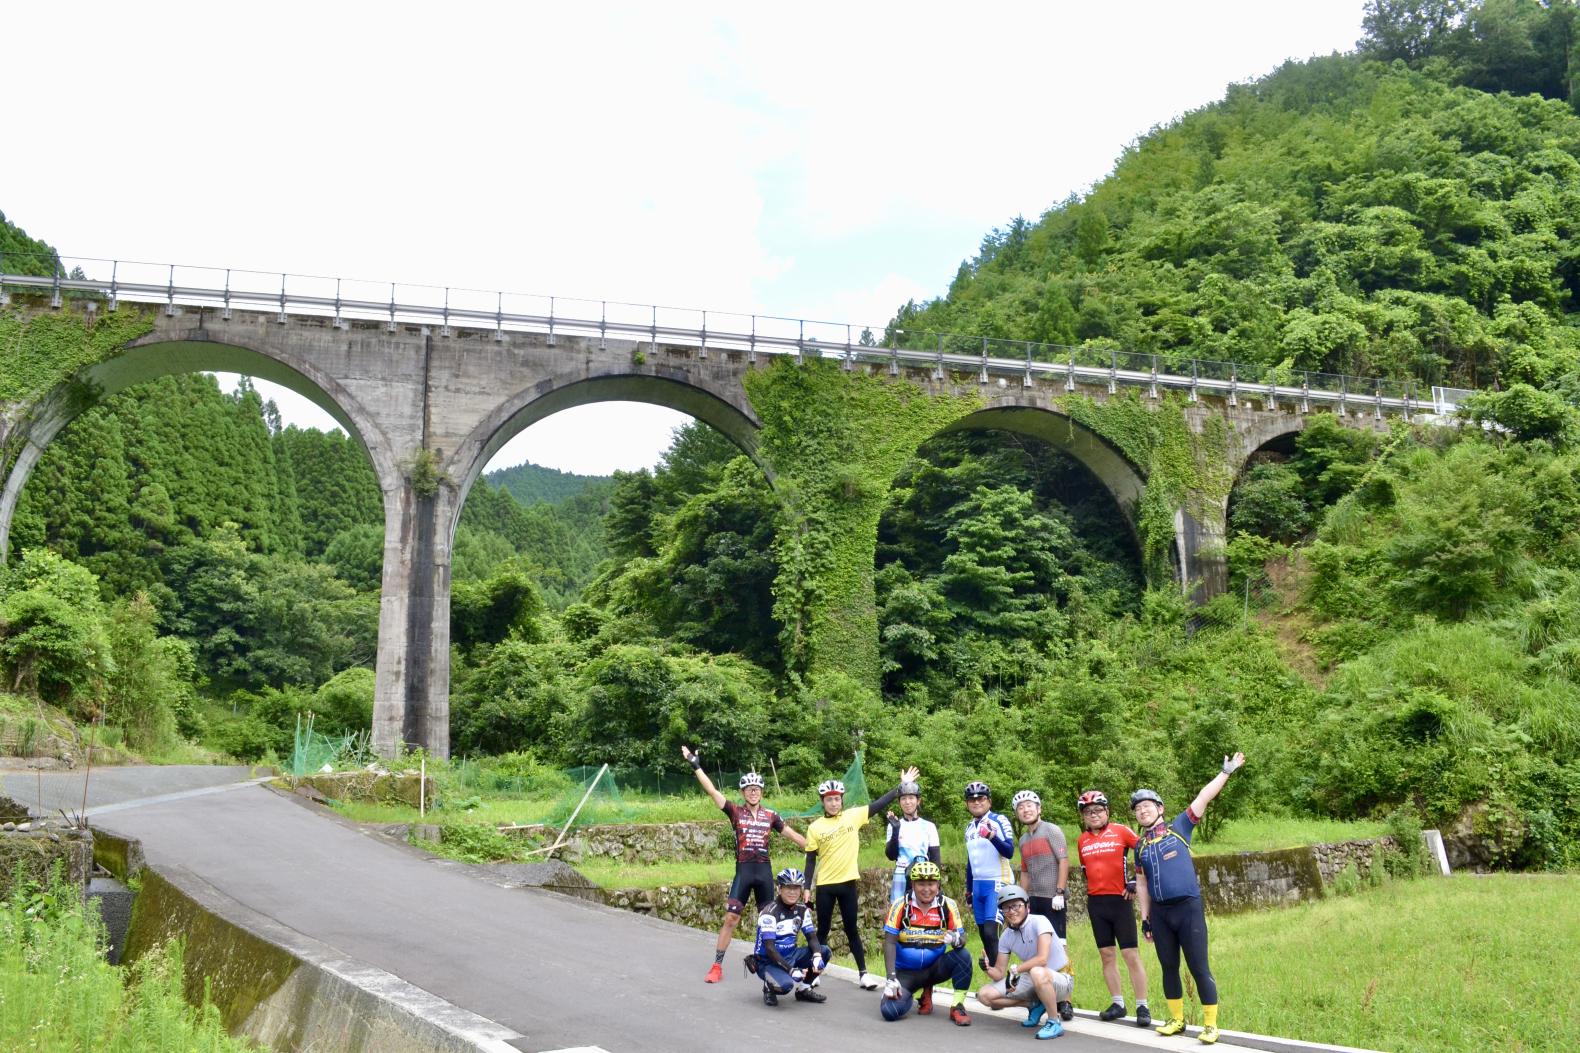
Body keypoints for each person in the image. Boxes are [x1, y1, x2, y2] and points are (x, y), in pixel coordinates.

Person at [1133, 752, 1246, 1045]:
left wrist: (1226, 772)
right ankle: (1176, 1020)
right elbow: (1142, 884)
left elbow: (1203, 797)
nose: (1142, 811)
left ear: (1159, 808)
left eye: (1147, 806)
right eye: (1137, 809)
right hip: (1160, 914)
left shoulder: (1179, 827)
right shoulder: (1139, 845)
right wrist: (1145, 918)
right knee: (1168, 966)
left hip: (1188, 909)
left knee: (1198, 966)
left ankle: (1210, 1024)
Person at [682, 744, 806, 983]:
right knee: (731, 919)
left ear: (761, 792)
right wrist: (695, 765)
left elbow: (794, 836)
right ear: (743, 792)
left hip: (764, 872)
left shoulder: (771, 816)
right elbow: (711, 791)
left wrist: (814, 846)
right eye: (749, 789)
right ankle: (717, 966)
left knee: (770, 922)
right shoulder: (735, 812)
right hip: (744, 871)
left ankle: (774, 964)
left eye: (757, 789)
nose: (753, 792)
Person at [804, 764, 920, 991]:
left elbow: (879, 804)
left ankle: (863, 974)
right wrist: (807, 889)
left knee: (852, 929)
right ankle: (814, 973)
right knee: (822, 931)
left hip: (848, 883)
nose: (834, 803)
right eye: (829, 799)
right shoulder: (815, 827)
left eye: (837, 799)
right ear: (823, 802)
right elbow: (810, 860)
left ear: (842, 800)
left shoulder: (853, 816)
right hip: (825, 885)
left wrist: (901, 786)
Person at [1075, 789, 1150, 1028]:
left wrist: (1134, 880)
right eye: (1088, 812)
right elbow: (1087, 870)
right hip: (1096, 903)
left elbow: (1144, 851)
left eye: (1097, 810)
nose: (1093, 815)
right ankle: (1118, 1003)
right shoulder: (1081, 840)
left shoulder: (1120, 831)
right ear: (1083, 816)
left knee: (1130, 955)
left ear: (1107, 811)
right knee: (1106, 955)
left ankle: (1142, 1005)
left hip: (1120, 901)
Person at [878, 859, 974, 1026]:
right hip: (907, 973)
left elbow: (963, 939)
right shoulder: (901, 905)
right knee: (889, 1012)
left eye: (931, 884)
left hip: (934, 968)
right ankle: (912, 995)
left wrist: (956, 940)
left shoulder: (947, 905)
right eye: (921, 884)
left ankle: (957, 1006)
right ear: (913, 884)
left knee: (963, 956)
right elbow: (890, 942)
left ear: (938, 885)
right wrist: (891, 978)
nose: (927, 889)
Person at [974, 883, 1073, 1041]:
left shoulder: (1040, 921)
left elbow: (1042, 959)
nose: (1012, 911)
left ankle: (1054, 1022)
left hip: (1060, 979)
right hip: (1032, 978)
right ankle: (1032, 1004)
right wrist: (987, 968)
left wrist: (1016, 970)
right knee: (984, 996)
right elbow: (1000, 972)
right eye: (1006, 908)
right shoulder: (1006, 935)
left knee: (1037, 971)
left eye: (1016, 906)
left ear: (1027, 906)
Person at [1013, 789, 1074, 1022]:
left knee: (1061, 947)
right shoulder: (1023, 839)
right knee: (1039, 950)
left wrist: (1059, 891)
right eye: (1021, 807)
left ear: (1039, 808)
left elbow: (1064, 861)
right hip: (1034, 900)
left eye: (1030, 805)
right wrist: (1021, 897)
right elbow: (1026, 871)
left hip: (1053, 898)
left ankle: (1066, 1000)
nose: (1026, 809)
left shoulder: (1052, 830)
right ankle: (1043, 997)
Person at [751, 867, 829, 1007]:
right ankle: (769, 987)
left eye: (797, 888)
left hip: (791, 955)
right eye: (788, 887)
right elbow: (769, 948)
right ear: (779, 889)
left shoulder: (802, 910)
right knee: (786, 986)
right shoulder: (769, 913)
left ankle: (804, 989)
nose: (793, 892)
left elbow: (811, 937)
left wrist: (817, 955)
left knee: (824, 951)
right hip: (768, 961)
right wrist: (791, 970)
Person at [962, 780, 1014, 971]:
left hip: (997, 882)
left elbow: (1009, 852)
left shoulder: (999, 820)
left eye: (981, 798)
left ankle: (1003, 976)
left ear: (989, 801)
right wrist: (968, 890)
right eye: (971, 799)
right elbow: (970, 861)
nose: (976, 802)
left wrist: (992, 836)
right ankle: (997, 976)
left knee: (992, 932)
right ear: (967, 804)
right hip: (978, 887)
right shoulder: (969, 828)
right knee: (984, 934)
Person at [884, 779, 941, 902]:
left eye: (911, 798)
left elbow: (935, 858)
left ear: (918, 800)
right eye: (903, 799)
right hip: (901, 874)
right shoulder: (893, 825)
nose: (907, 802)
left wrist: (938, 885)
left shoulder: (929, 826)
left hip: (923, 875)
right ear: (899, 802)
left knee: (923, 916)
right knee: (898, 914)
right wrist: (895, 831)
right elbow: (891, 855)